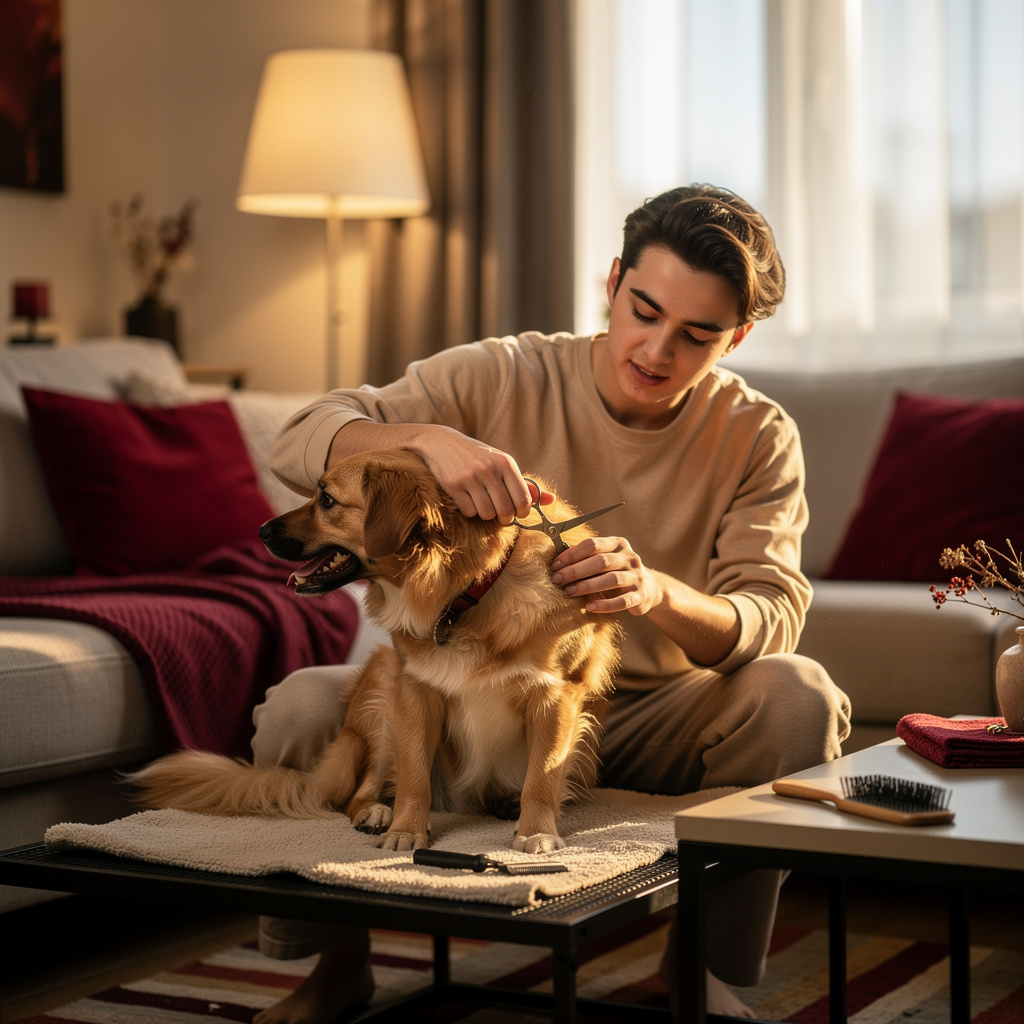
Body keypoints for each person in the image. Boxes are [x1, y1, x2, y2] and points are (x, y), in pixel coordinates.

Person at [251, 183, 852, 1024]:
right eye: (643, 310)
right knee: (301, 707)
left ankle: (700, 966)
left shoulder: (758, 434)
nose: (655, 349)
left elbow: (769, 613)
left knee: (800, 696)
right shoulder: (500, 372)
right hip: (472, 704)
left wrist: (657, 593)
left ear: (739, 337)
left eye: (697, 336)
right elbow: (298, 436)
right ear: (612, 281)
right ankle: (335, 966)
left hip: (653, 715)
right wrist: (424, 437)